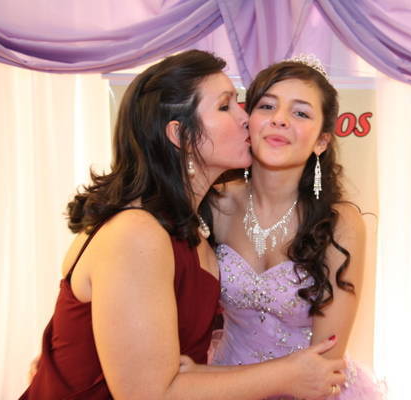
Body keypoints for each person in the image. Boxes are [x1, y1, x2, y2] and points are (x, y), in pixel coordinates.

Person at [21, 50, 346, 400]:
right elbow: (148, 394)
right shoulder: (136, 233)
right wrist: (286, 375)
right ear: (180, 134)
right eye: (225, 106)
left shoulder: (192, 225)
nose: (246, 118)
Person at [208, 56, 387, 399]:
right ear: (248, 122)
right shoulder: (214, 205)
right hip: (225, 383)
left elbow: (325, 363)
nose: (279, 119)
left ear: (321, 142)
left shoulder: (340, 225)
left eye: (301, 113)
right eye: (267, 106)